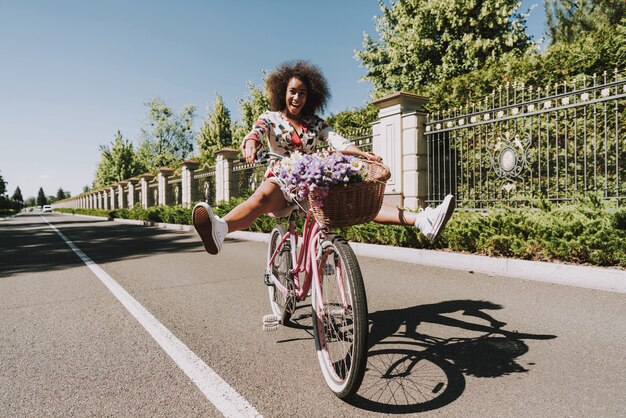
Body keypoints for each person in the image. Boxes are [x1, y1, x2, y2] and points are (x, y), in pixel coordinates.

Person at [193, 60, 455, 255]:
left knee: (359, 201)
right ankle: (220, 229)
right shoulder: (270, 118)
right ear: (283, 92)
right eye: (293, 91)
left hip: (312, 182)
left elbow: (337, 141)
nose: (297, 97)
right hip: (282, 178)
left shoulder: (315, 123)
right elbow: (256, 132)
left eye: (303, 93)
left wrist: (362, 153)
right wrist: (251, 143)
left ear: (310, 97)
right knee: (261, 197)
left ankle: (422, 220)